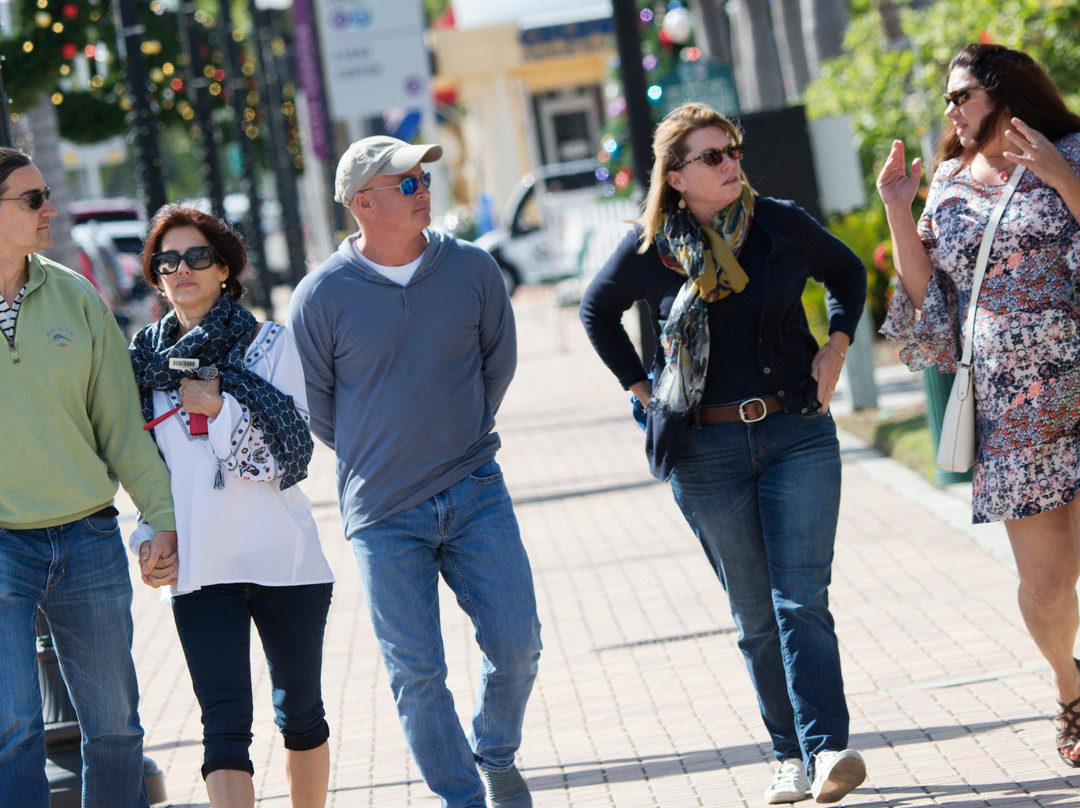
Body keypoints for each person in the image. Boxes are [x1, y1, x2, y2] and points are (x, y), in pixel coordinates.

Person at [580, 103, 868, 805]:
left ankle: (827, 748)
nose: (731, 163)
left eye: (732, 150)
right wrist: (640, 388)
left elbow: (848, 272)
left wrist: (836, 346)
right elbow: (596, 311)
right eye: (712, 157)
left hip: (794, 432)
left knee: (801, 598)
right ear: (676, 178)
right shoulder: (651, 248)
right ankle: (787, 755)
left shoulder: (780, 223)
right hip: (704, 448)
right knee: (755, 614)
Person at [287, 135, 541, 808]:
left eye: (423, 175)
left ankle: (495, 750)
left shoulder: (473, 270)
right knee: (416, 672)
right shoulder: (320, 296)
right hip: (383, 513)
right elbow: (317, 405)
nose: (422, 186)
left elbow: (499, 361)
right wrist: (385, 450)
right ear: (362, 202)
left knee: (519, 644)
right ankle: (461, 797)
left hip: (476, 488)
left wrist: (455, 431)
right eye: (405, 181)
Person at [877, 43, 1080, 767]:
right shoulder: (950, 184)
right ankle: (1069, 686)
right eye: (947, 101)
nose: (951, 111)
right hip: (1014, 408)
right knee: (1048, 587)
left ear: (1004, 93)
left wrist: (1061, 177)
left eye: (961, 95)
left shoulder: (1073, 152)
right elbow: (928, 299)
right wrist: (901, 210)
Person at [129, 205, 334, 808]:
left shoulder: (270, 343)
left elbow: (291, 455)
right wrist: (146, 537)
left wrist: (221, 409)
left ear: (224, 268)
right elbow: (144, 470)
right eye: (167, 261)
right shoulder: (142, 362)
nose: (181, 270)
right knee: (222, 729)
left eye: (196, 257)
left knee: (301, 716)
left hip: (284, 560)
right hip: (201, 567)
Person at [0, 148, 178, 807]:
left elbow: (121, 426)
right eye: (30, 199)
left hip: (86, 540)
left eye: (45, 194)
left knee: (114, 729)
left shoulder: (76, 298)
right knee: (11, 727)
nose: (48, 209)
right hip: (1, 548)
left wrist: (162, 516)